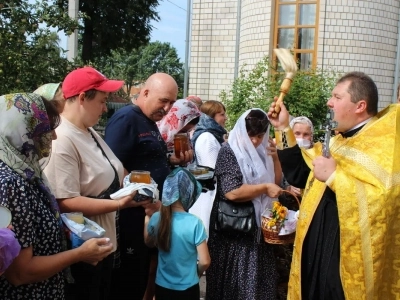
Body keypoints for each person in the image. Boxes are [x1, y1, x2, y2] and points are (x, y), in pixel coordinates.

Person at [268, 71, 400, 299]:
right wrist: (282, 127)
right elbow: (301, 174)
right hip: (314, 252)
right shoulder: (339, 140)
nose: (329, 102)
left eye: (337, 97)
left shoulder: (383, 146)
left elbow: (385, 201)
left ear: (360, 106)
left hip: (342, 257)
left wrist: (335, 178)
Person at [44, 67, 147, 300]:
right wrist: (120, 204)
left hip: (102, 244)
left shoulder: (88, 131)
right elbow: (65, 200)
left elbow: (113, 170)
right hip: (82, 250)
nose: (105, 108)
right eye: (102, 101)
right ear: (82, 98)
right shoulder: (62, 139)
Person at [0, 93, 113, 299]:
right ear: (24, 131)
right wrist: (80, 254)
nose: (53, 136)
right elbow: (20, 273)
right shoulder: (11, 183)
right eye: (47, 129)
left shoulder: (24, 169)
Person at [105, 73, 193, 300]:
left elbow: (146, 160)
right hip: (132, 217)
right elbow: (112, 166)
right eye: (164, 100)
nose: (167, 108)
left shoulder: (149, 121)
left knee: (142, 276)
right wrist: (144, 196)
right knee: (129, 282)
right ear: (145, 93)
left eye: (172, 102)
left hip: (149, 213)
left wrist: (172, 161)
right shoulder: (127, 119)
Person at [206, 108, 283, 299]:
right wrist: (264, 188)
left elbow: (277, 182)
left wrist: (275, 158)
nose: (255, 141)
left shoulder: (263, 151)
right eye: (251, 136)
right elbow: (231, 192)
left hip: (257, 233)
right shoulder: (229, 151)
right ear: (241, 131)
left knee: (257, 287)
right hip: (234, 234)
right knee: (235, 286)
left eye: (259, 136)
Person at [144, 167, 210, 300]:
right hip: (188, 288)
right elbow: (205, 261)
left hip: (162, 286)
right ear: (189, 193)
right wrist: (195, 274)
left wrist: (146, 218)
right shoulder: (195, 223)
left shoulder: (157, 218)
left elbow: (148, 242)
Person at [189, 100, 227, 235]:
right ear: (211, 117)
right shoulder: (207, 138)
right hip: (209, 196)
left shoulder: (213, 136)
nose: (225, 118)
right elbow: (211, 171)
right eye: (222, 114)